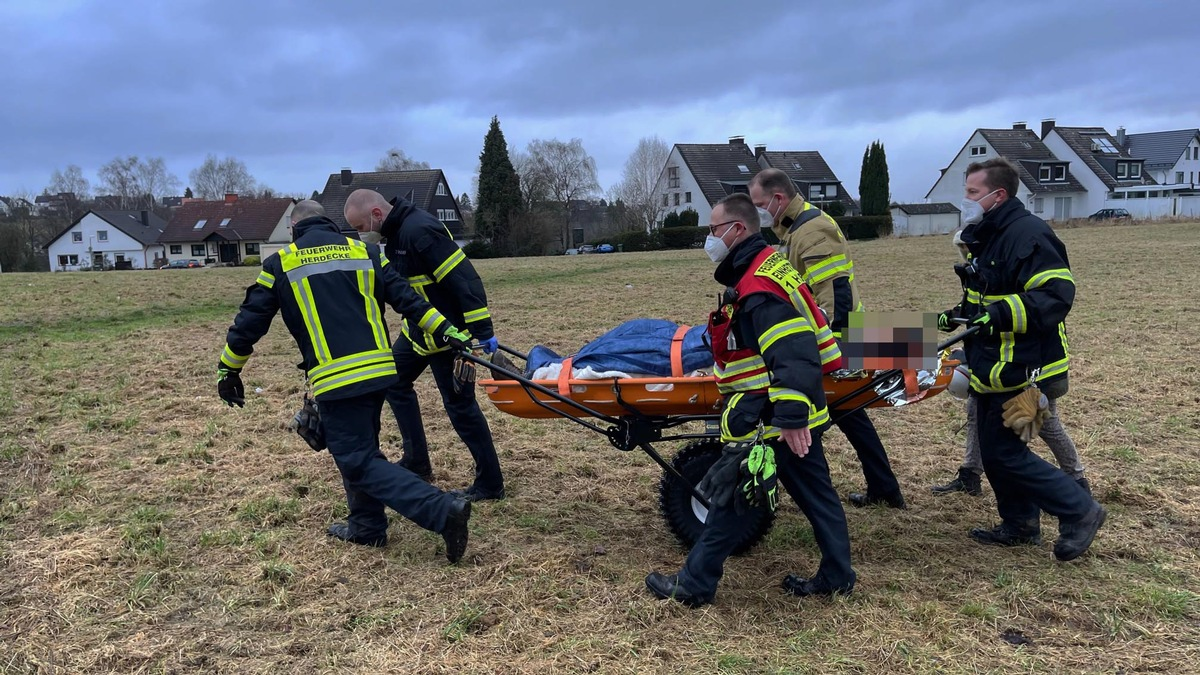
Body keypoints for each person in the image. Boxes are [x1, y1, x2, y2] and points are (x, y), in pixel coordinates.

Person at [216, 200, 473, 562]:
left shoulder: (281, 263)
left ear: (293, 229)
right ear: (330, 223)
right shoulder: (366, 253)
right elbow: (409, 301)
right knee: (362, 449)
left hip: (337, 378)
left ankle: (441, 511)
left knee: (356, 460)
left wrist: (229, 369)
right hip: (380, 371)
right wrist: (448, 330)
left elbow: (249, 323)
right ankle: (367, 527)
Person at [645, 193, 855, 607]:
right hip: (783, 410)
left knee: (731, 496)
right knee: (816, 496)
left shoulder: (759, 286)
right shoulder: (766, 269)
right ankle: (838, 575)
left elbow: (793, 351)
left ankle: (694, 584)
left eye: (713, 229)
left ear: (737, 229)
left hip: (771, 415)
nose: (709, 238)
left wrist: (790, 418)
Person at [936, 158, 1104, 561]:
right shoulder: (988, 236)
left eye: (973, 192)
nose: (966, 200)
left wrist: (998, 314)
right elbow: (986, 294)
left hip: (1025, 369)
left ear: (998, 195)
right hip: (992, 365)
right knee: (996, 450)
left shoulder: (1028, 234)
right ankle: (1020, 524)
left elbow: (1055, 296)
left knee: (1006, 453)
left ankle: (1080, 509)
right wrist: (957, 315)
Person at [749, 169, 905, 510]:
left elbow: (836, 295)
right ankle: (884, 488)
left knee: (830, 412)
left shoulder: (812, 230)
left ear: (778, 198)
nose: (756, 211)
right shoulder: (796, 228)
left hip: (838, 338)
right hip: (839, 337)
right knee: (848, 412)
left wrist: (830, 355)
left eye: (758, 204)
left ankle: (850, 493)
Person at [343, 189, 504, 502]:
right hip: (417, 334)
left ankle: (490, 484)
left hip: (447, 336)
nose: (361, 234)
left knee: (461, 408)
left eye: (360, 228)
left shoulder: (420, 231)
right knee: (394, 382)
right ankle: (417, 461)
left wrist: (482, 330)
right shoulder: (395, 234)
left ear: (376, 214)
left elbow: (464, 280)